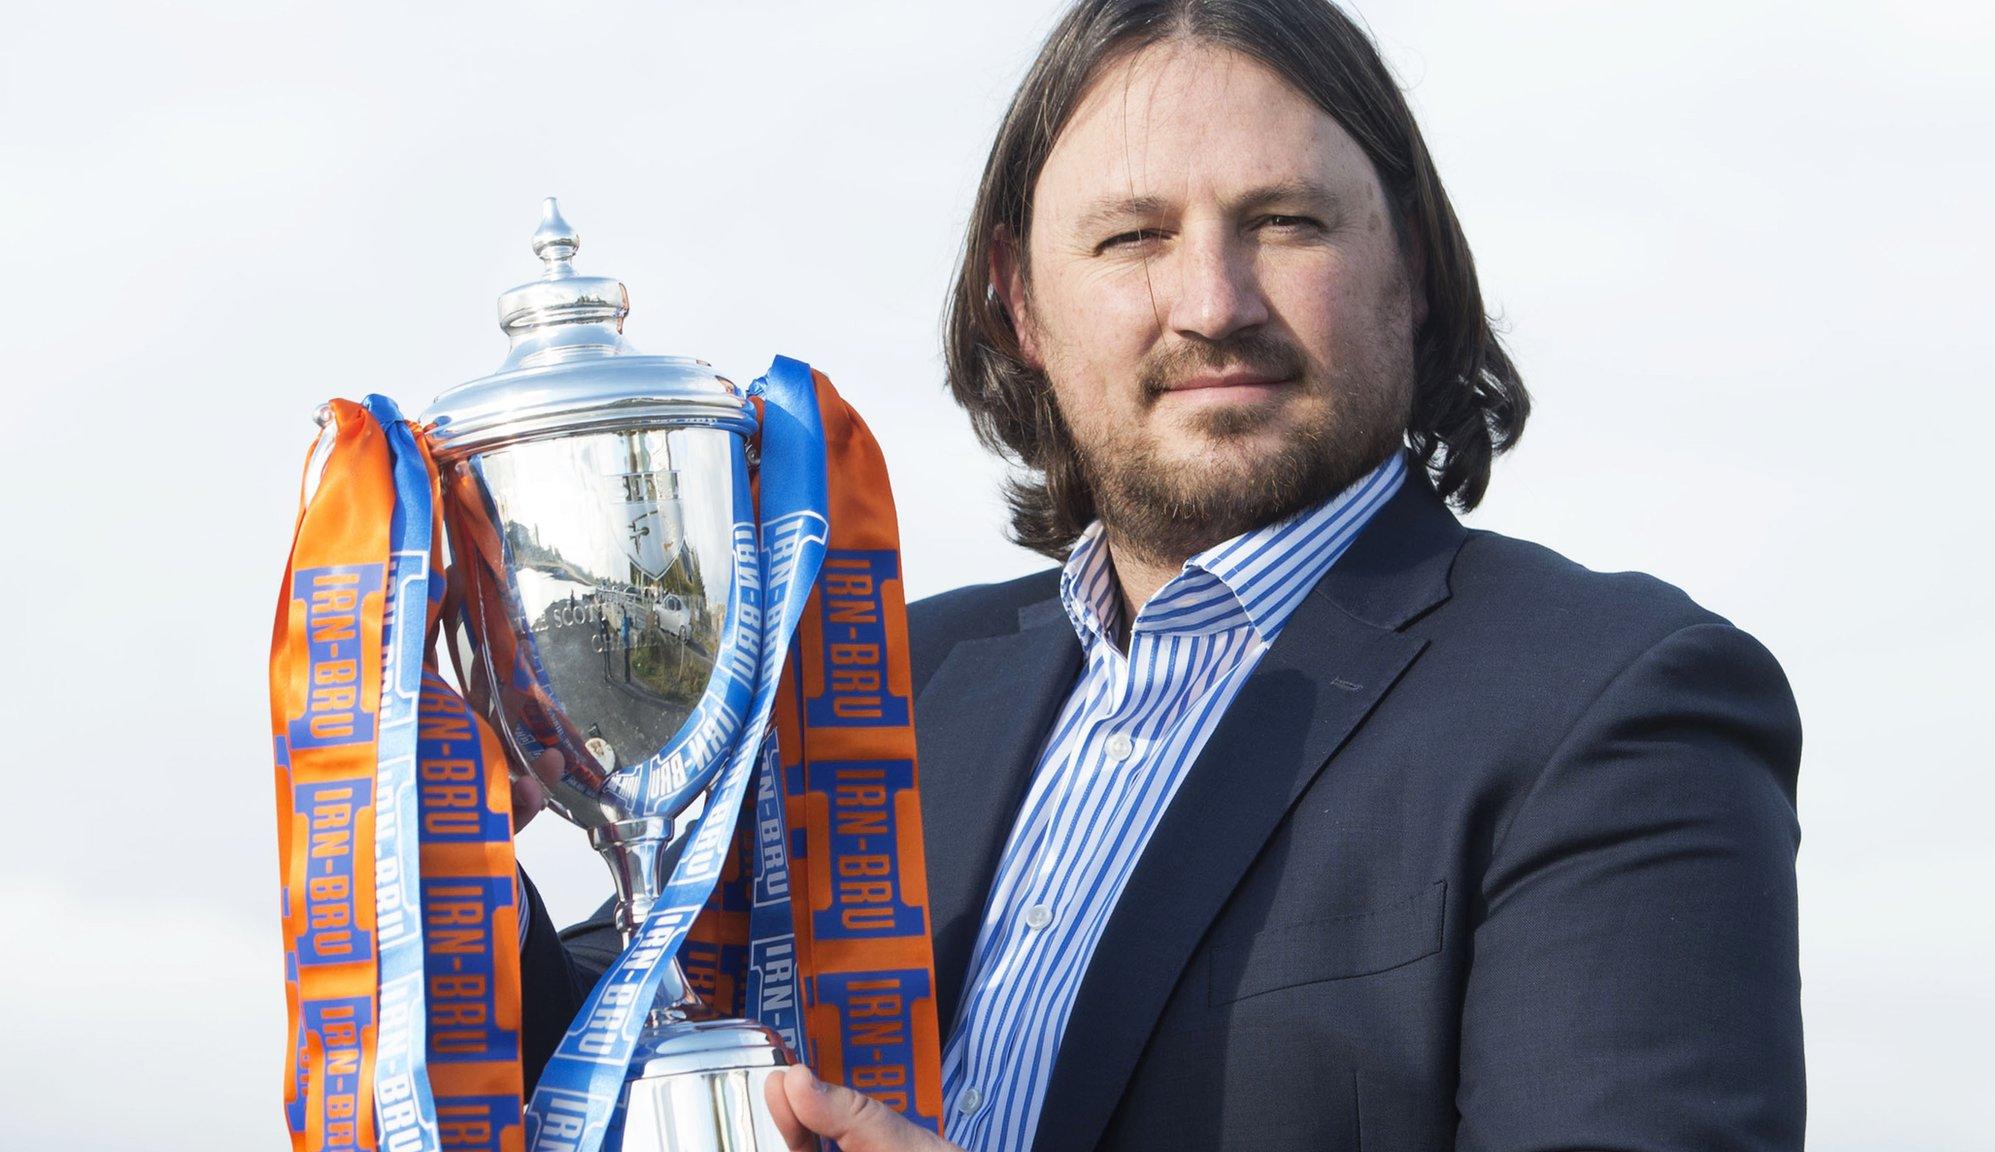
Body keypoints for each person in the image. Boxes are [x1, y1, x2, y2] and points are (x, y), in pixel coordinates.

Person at [518, 1, 1805, 1149]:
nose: (1210, 302)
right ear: (1018, 304)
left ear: (1409, 268)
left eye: (1285, 223)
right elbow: (598, 1050)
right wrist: (444, 839)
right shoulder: (864, 692)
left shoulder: (1609, 705)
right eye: (1132, 236)